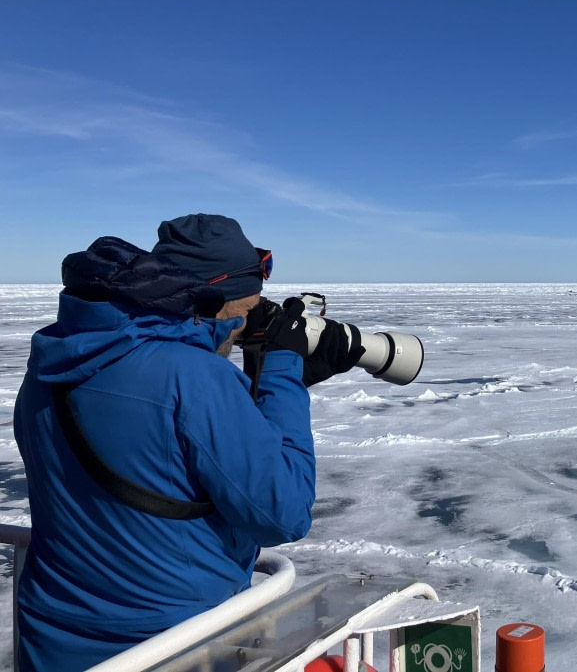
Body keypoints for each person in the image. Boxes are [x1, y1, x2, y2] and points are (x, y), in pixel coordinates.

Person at [14, 213, 363, 671]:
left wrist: (256, 389)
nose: (246, 326)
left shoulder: (53, 361)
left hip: (53, 638)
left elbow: (154, 447)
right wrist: (282, 374)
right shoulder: (195, 379)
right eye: (247, 311)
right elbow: (284, 514)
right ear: (215, 300)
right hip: (173, 645)